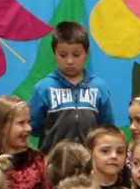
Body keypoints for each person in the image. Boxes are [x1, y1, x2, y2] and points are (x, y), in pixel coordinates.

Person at [31, 20, 116, 152]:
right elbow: (32, 128)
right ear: (54, 54)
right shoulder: (43, 88)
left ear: (86, 53)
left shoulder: (99, 87)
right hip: (53, 161)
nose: (70, 61)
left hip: (90, 160)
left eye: (76, 55)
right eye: (63, 55)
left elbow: (107, 130)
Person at [87, 125, 130, 189]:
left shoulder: (132, 187)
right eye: (105, 151)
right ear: (90, 152)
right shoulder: (79, 188)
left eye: (120, 152)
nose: (114, 156)